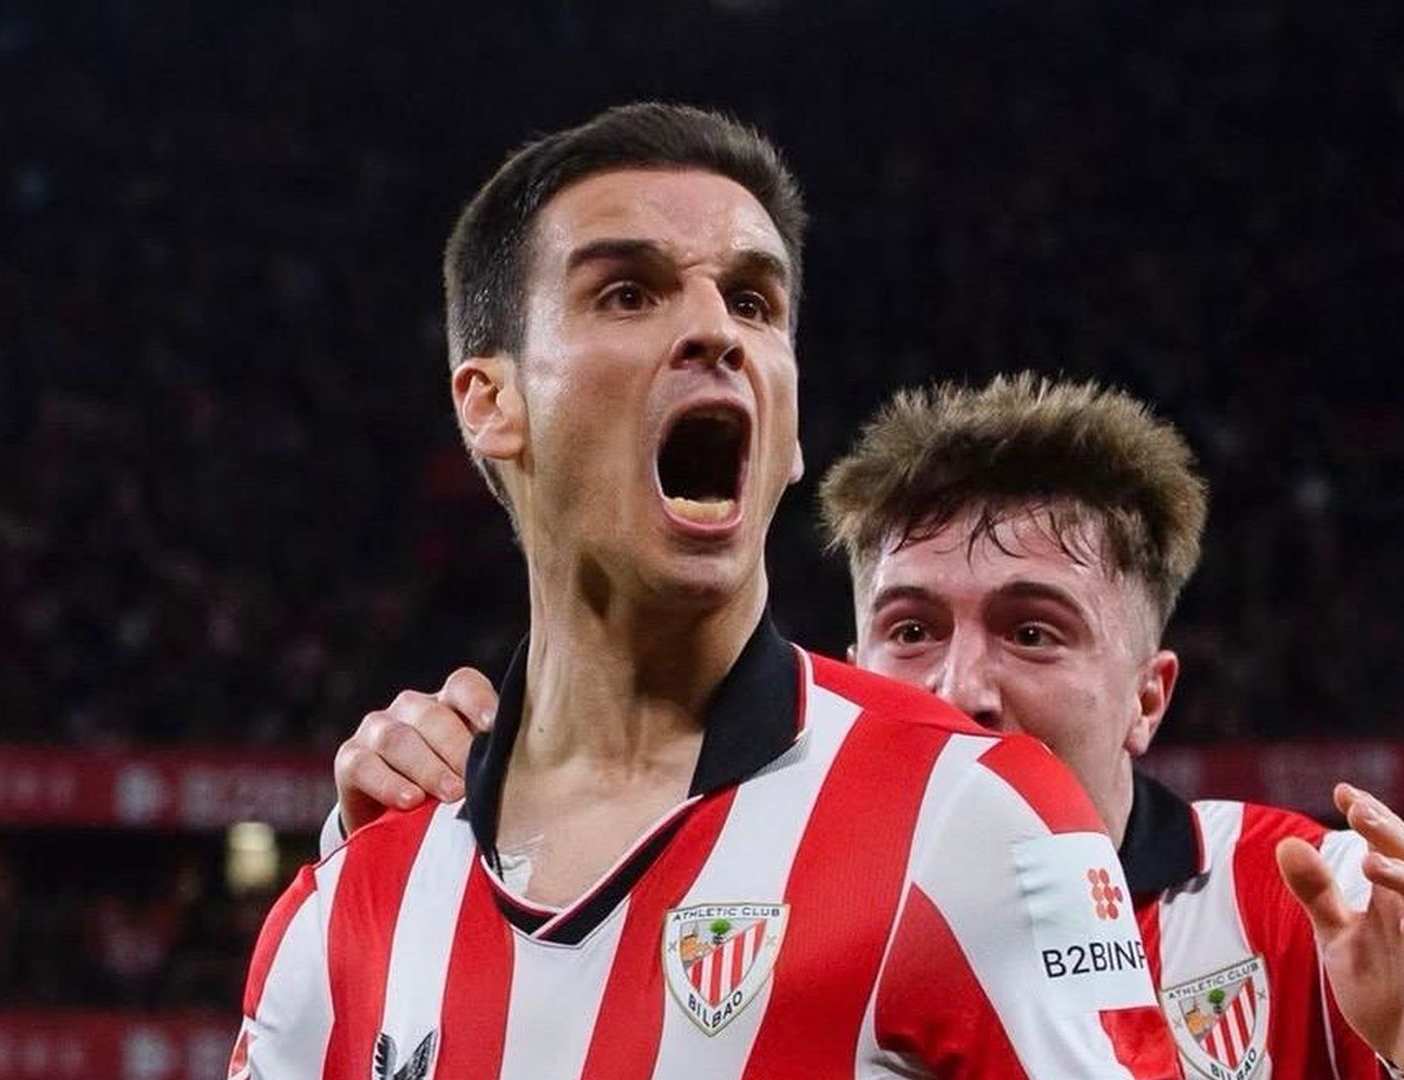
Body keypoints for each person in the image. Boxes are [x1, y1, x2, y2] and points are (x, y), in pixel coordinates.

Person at [234, 106, 1178, 1080]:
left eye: (753, 302)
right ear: (492, 403)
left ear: (791, 428)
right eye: (628, 294)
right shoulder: (349, 904)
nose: (715, 330)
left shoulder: (978, 818)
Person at [336, 374, 1404, 1080]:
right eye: (913, 628)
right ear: (850, 659)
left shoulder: (1302, 906)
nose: (961, 688)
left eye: (1033, 631)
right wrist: (407, 885)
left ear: (1149, 697)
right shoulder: (708, 883)